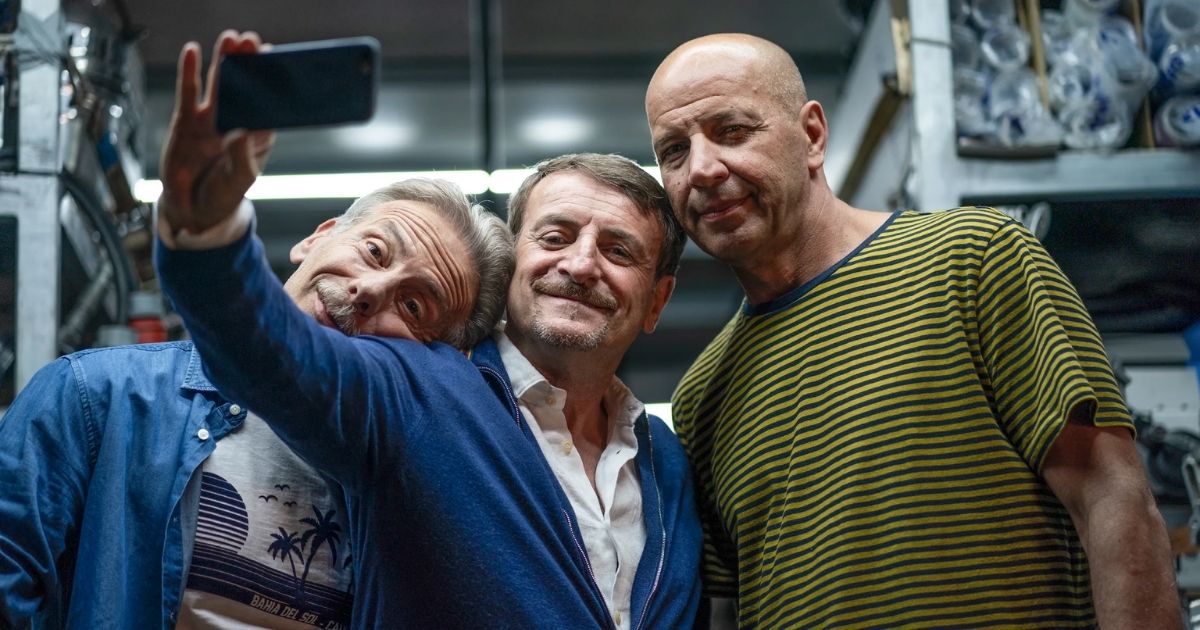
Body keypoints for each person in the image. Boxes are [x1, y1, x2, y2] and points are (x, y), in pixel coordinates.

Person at [153, 32, 700, 629]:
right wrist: (208, 230)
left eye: (618, 251)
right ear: (516, 265)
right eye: (554, 237)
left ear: (657, 301)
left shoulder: (665, 459)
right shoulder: (423, 387)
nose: (581, 264)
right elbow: (275, 354)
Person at [646, 33, 1181, 629]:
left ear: (812, 136)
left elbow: (1112, 498)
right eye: (674, 151)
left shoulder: (973, 259)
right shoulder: (702, 396)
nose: (702, 169)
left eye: (732, 131)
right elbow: (732, 607)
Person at [0, 33, 513, 629]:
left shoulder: (409, 501)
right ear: (317, 237)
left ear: (438, 363)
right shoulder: (94, 398)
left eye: (415, 305)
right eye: (374, 251)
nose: (370, 291)